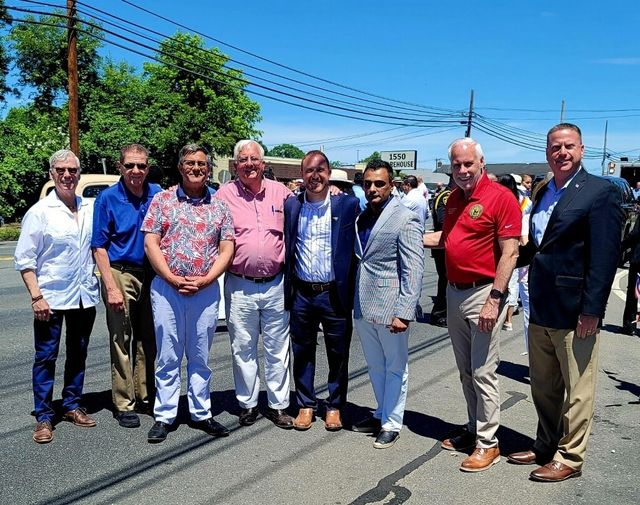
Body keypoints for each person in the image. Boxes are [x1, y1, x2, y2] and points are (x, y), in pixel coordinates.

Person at [507, 124, 623, 482]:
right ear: (547, 152)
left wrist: (593, 310)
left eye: (568, 146)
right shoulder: (544, 190)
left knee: (578, 388)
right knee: (543, 385)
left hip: (576, 310)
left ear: (582, 149)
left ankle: (570, 457)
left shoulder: (600, 192)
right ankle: (545, 444)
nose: (562, 152)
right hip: (541, 303)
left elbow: (605, 257)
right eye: (555, 146)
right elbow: (538, 246)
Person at [423, 138, 521, 472]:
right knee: (465, 371)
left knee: (483, 371)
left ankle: (489, 443)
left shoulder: (500, 198)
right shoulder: (452, 199)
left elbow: (510, 251)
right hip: (454, 292)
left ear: (481, 163)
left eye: (468, 164)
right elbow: (445, 240)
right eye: (456, 165)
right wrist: (403, 235)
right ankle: (473, 426)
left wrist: (496, 298)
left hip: (484, 293)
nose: (462, 171)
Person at [142, 144, 234, 443]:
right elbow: (151, 243)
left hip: (204, 290)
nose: (196, 168)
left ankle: (201, 412)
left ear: (209, 169)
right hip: (168, 289)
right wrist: (170, 277)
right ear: (180, 167)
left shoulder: (219, 206)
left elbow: (227, 247)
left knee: (199, 354)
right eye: (190, 163)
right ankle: (165, 415)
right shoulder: (163, 200)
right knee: (168, 354)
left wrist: (208, 278)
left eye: (202, 164)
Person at [15, 149, 100, 444]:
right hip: (50, 297)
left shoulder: (89, 208)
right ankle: (43, 416)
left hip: (83, 296)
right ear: (51, 174)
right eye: (61, 170)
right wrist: (36, 296)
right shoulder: (39, 213)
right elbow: (25, 260)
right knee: (46, 357)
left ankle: (71, 405)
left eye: (72, 170)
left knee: (78, 353)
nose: (67, 175)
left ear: (78, 174)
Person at [214, 140, 294, 429]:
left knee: (277, 347)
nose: (249, 164)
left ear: (263, 163)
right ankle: (247, 404)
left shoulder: (282, 194)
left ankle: (278, 405)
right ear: (235, 165)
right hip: (240, 284)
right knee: (243, 347)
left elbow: (307, 208)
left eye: (254, 159)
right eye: (243, 160)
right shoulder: (223, 196)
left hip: (276, 284)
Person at [284, 150, 360, 431]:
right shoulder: (292, 206)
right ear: (301, 175)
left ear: (329, 173)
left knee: (338, 353)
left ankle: (335, 406)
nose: (314, 176)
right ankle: (305, 404)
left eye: (320, 170)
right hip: (302, 292)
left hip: (334, 293)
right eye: (308, 171)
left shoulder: (347, 206)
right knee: (301, 351)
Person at [352, 159, 424, 449]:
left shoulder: (406, 217)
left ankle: (392, 423)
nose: (372, 188)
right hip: (363, 303)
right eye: (367, 183)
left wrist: (404, 312)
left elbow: (414, 269)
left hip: (391, 305)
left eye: (379, 183)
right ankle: (381, 411)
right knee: (374, 365)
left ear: (391, 185)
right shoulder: (362, 216)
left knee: (395, 367)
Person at [92, 144, 162, 428]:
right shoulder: (107, 199)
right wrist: (110, 286)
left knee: (149, 339)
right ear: (120, 167)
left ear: (148, 168)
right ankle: (124, 402)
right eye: (130, 165)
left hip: (152, 274)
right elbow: (98, 247)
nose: (136, 171)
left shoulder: (157, 194)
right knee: (121, 338)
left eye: (141, 166)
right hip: (120, 273)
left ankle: (145, 396)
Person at [429, 176, 453, 327]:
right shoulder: (447, 197)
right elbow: (445, 223)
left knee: (448, 281)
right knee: (445, 281)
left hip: (448, 246)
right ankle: (439, 313)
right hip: (442, 245)